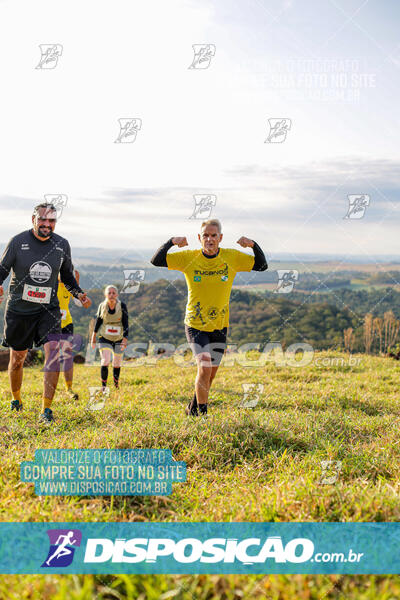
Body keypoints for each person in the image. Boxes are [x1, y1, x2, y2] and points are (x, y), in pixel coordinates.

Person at [151, 219, 268, 417]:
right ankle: (203, 417)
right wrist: (172, 241)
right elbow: (157, 260)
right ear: (199, 238)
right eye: (205, 235)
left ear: (220, 238)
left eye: (214, 235)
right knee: (204, 366)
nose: (210, 239)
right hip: (195, 324)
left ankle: (192, 409)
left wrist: (253, 245)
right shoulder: (189, 257)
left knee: (209, 375)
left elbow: (261, 266)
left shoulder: (232, 257)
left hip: (220, 326)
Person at [0, 202, 92, 423]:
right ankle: (16, 399)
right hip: (19, 309)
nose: (47, 224)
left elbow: (67, 276)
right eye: (43, 219)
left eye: (51, 220)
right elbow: (2, 270)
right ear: (33, 219)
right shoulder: (17, 242)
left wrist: (79, 294)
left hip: (48, 309)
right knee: (17, 360)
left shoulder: (62, 244)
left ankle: (46, 410)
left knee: (53, 356)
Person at [91, 285, 128, 391]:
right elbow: (98, 322)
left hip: (118, 337)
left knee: (116, 363)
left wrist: (125, 338)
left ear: (117, 295)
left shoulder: (122, 306)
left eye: (113, 293)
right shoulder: (102, 306)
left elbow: (126, 323)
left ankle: (116, 385)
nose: (111, 295)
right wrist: (93, 337)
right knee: (105, 360)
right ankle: (104, 387)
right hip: (105, 337)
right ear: (105, 295)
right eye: (109, 293)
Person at [57, 269, 82, 400]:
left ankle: (69, 388)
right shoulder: (50, 284)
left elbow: (79, 303)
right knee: (52, 356)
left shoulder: (69, 285)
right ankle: (50, 386)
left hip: (66, 323)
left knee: (67, 357)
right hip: (50, 324)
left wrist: (77, 284)